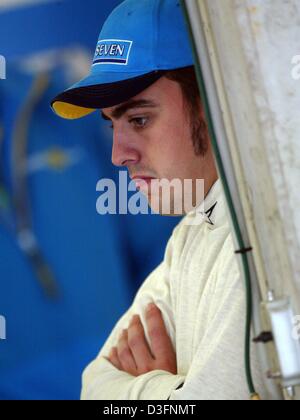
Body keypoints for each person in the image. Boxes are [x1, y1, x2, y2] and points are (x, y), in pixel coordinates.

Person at [51, 0, 269, 400]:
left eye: (138, 119)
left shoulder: (268, 242)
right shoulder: (191, 231)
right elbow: (92, 385)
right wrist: (170, 391)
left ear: (215, 102)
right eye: (113, 123)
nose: (118, 155)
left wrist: (144, 387)